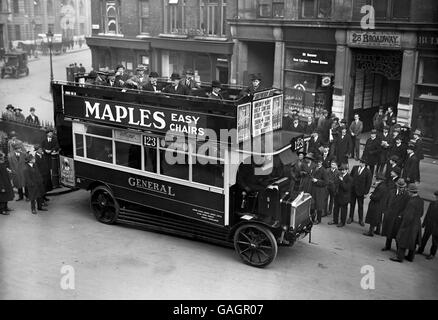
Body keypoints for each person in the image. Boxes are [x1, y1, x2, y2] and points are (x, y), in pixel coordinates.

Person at [391, 184, 424, 262]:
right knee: (413, 241)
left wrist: (403, 224)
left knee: (402, 240)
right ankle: (410, 257)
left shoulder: (411, 202)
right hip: (417, 224)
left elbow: (408, 216)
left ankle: (399, 257)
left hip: (409, 225)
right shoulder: (420, 200)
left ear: (411, 192)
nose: (408, 193)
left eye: (409, 191)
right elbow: (421, 213)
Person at [381, 178, 409, 251]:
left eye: (402, 187)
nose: (401, 189)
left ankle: (398, 249)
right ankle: (387, 246)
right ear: (397, 186)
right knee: (389, 231)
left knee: (397, 233)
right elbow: (386, 202)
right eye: (399, 187)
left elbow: (406, 207)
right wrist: (385, 211)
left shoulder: (406, 195)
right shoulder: (391, 192)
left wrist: (401, 215)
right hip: (390, 215)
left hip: (398, 217)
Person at [348, 158, 372, 226]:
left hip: (361, 192)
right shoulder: (355, 168)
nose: (360, 163)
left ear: (364, 164)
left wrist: (366, 193)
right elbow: (351, 177)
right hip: (353, 190)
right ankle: (350, 217)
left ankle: (360, 220)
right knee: (352, 204)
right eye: (360, 162)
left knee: (360, 206)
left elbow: (368, 183)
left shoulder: (368, 171)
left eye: (362, 162)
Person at [328, 163, 352, 227]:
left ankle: (342, 222)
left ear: (347, 170)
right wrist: (335, 191)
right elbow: (335, 184)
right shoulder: (339, 175)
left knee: (343, 210)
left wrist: (342, 181)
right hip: (337, 195)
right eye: (341, 170)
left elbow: (346, 188)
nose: (342, 171)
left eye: (343, 170)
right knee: (335, 208)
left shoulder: (349, 178)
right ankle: (335, 220)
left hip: (344, 197)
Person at [417, 190, 438, 260]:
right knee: (424, 238)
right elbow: (428, 214)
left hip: (436, 226)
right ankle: (420, 250)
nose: (436, 197)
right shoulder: (432, 203)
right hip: (429, 224)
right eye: (436, 196)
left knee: (435, 241)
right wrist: (424, 223)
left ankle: (432, 253)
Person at [310, 157, 328, 225]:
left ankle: (318, 220)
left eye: (319, 162)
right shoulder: (314, 168)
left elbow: (326, 182)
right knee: (312, 205)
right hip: (313, 189)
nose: (318, 163)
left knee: (319, 206)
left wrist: (317, 181)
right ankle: (312, 218)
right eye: (317, 162)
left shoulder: (324, 170)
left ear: (321, 163)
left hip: (320, 190)